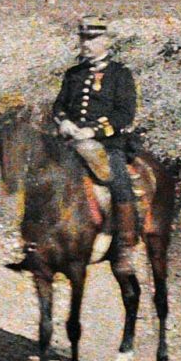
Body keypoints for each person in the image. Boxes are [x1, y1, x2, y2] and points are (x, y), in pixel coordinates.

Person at [50, 14, 141, 277]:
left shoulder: (119, 74)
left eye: (92, 38)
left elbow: (125, 113)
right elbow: (59, 106)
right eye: (83, 38)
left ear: (106, 41)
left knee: (119, 180)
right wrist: (64, 122)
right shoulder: (73, 74)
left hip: (106, 143)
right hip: (71, 141)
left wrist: (93, 130)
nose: (86, 44)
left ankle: (124, 247)